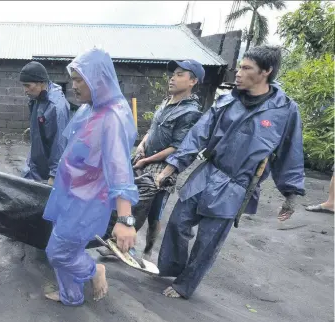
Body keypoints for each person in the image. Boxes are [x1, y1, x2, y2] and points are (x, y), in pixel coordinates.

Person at [155, 45, 306, 299]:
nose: (238, 73)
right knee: (178, 222)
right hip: (207, 172)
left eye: (246, 68)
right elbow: (198, 134)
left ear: (266, 72)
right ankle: (172, 268)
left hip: (237, 184)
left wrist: (290, 194)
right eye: (240, 66)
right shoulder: (227, 101)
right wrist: (172, 167)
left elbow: (290, 152)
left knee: (208, 240)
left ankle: (185, 285)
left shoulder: (285, 110)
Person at [42, 48, 139, 306]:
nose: (73, 86)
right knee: (68, 248)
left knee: (57, 253)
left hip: (87, 201)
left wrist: (125, 220)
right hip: (70, 193)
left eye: (78, 80)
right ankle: (70, 295)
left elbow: (120, 170)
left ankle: (95, 271)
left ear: (97, 79)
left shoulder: (112, 117)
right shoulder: (91, 109)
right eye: (72, 79)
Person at [98, 59, 204, 261]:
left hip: (163, 167)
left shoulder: (191, 112)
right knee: (125, 196)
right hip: (145, 156)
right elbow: (152, 129)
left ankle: (146, 248)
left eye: (180, 74)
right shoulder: (167, 102)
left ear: (193, 81)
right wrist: (141, 145)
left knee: (151, 210)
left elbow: (177, 147)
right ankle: (118, 243)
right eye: (173, 74)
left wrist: (147, 161)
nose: (173, 78)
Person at [19, 61, 70, 185]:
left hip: (48, 173)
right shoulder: (38, 99)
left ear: (41, 83)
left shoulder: (56, 107)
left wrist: (54, 174)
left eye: (27, 85)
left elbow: (59, 143)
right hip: (36, 165)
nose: (25, 90)